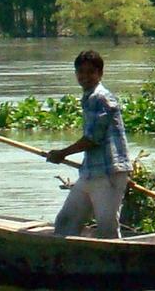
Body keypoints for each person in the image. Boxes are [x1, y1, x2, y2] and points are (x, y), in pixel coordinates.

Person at [46, 49, 132, 239]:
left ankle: (115, 264)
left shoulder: (100, 98)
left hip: (109, 172)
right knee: (65, 223)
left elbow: (93, 138)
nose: (85, 77)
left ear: (100, 74)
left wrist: (62, 153)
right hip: (91, 171)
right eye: (81, 72)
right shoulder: (89, 97)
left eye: (90, 72)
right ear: (76, 74)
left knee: (107, 229)